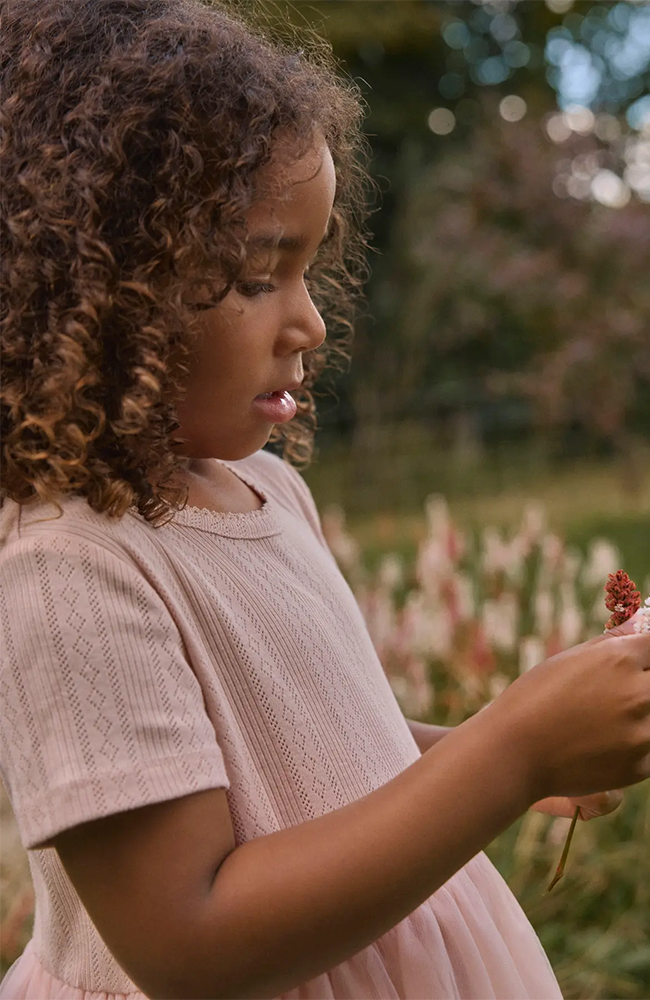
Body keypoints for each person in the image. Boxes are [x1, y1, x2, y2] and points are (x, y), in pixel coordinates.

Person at [1, 2, 649, 998]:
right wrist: (512, 753)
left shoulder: (268, 492)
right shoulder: (72, 567)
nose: (307, 319)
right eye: (260, 274)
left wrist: (516, 741)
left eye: (309, 267)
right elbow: (190, 937)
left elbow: (339, 752)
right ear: (102, 291)